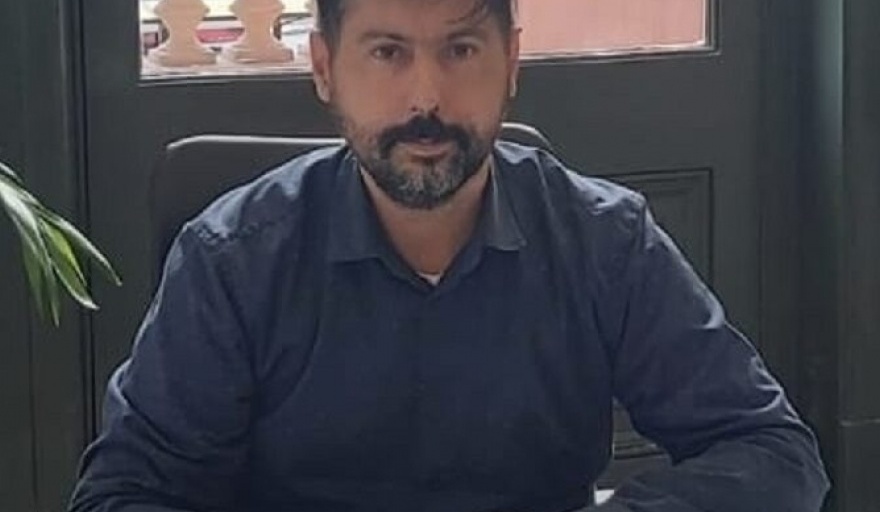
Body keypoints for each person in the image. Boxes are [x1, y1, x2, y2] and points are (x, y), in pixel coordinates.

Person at [69, 0, 830, 510]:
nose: (425, 98)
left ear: (512, 61)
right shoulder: (232, 260)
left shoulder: (605, 242)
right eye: (387, 52)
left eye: (461, 49)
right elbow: (123, 492)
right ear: (325, 67)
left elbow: (773, 452)